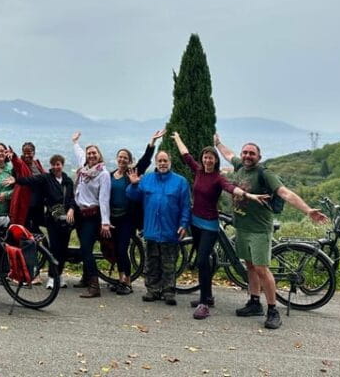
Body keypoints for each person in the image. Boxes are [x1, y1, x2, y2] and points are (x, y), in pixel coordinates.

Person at [214, 134, 329, 329]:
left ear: (259, 157)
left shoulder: (265, 174)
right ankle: (254, 302)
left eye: (252, 153)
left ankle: (273, 309)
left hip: (259, 230)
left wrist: (307, 210)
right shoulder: (240, 167)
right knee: (250, 266)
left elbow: (285, 193)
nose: (247, 156)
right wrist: (217, 143)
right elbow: (228, 154)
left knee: (261, 268)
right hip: (242, 227)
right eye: (245, 152)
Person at [171, 131, 267, 319]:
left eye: (211, 158)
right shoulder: (198, 170)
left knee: (201, 261)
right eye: (205, 157)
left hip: (209, 225)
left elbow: (231, 188)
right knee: (203, 260)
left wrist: (248, 195)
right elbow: (186, 155)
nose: (207, 160)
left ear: (216, 161)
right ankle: (207, 296)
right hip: (195, 223)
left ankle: (204, 303)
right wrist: (177, 139)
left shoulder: (218, 178)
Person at [126, 150, 190, 305]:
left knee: (169, 263)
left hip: (170, 229)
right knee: (152, 262)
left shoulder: (180, 182)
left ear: (170, 162)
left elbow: (186, 206)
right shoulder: (147, 179)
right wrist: (133, 185)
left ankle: (168, 291)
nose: (162, 163)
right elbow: (132, 196)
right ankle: (153, 290)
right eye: (160, 161)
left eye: (165, 160)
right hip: (151, 230)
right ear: (156, 162)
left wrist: (184, 224)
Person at [108, 130, 165, 295]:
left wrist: (152, 142)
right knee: (115, 250)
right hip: (113, 219)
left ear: (130, 161)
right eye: (120, 156)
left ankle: (127, 282)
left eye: (126, 157)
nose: (122, 159)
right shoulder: (110, 175)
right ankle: (120, 280)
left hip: (127, 219)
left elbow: (146, 160)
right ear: (116, 159)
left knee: (121, 249)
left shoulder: (132, 173)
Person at [10, 153, 75, 289]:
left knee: (63, 249)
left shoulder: (68, 181)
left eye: (58, 164)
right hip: (52, 218)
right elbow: (30, 180)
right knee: (55, 248)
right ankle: (52, 277)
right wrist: (17, 179)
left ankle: (60, 275)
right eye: (54, 164)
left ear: (62, 165)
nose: (56, 167)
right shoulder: (46, 178)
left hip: (66, 219)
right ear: (51, 166)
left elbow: (72, 198)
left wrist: (71, 210)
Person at [71, 131, 112, 298]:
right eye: (89, 154)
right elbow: (79, 152)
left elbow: (104, 199)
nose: (91, 155)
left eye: (94, 153)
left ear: (99, 155)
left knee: (86, 249)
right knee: (83, 246)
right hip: (80, 215)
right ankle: (87, 277)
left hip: (92, 216)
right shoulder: (84, 168)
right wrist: (75, 142)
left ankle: (95, 286)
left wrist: (105, 222)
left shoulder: (103, 174)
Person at [9, 142, 46, 230]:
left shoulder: (37, 164)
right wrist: (14, 156)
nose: (26, 155)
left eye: (29, 153)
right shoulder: (21, 165)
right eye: (24, 153)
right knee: (25, 229)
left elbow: (44, 178)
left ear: (34, 153)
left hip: (37, 205)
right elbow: (17, 164)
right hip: (25, 205)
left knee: (35, 228)